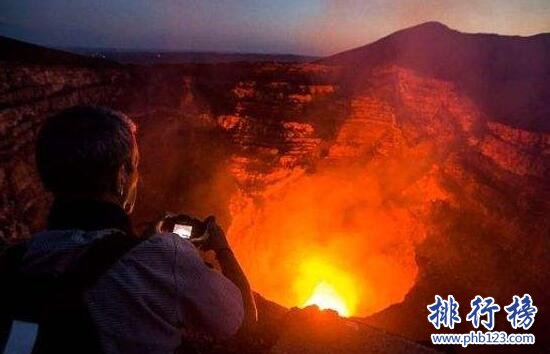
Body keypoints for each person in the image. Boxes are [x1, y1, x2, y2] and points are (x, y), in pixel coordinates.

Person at [0, 106, 257, 354]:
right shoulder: (165, 259)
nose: (138, 178)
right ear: (121, 175)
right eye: (134, 166)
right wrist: (221, 246)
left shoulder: (13, 261)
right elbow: (243, 321)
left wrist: (138, 241)